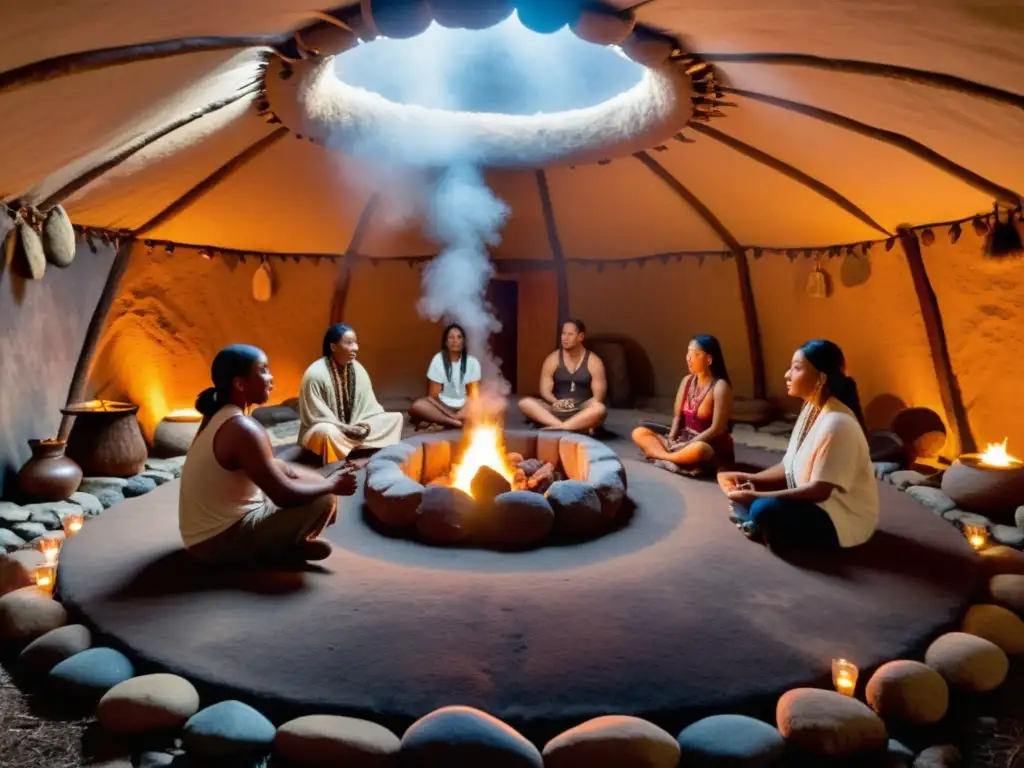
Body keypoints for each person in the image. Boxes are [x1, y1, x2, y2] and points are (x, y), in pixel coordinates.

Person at [178, 344, 357, 564]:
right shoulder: (242, 428)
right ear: (240, 384)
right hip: (216, 544)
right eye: (263, 370)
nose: (271, 378)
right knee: (324, 498)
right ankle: (280, 550)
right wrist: (333, 485)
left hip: (200, 538)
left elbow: (276, 471)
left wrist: (309, 476)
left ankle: (284, 543)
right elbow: (282, 495)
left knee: (288, 469)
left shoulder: (217, 415)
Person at [718, 339, 878, 550]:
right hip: (815, 502)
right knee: (754, 500)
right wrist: (750, 479)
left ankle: (763, 523)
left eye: (796, 368)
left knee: (763, 509)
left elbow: (820, 491)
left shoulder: (837, 422)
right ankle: (764, 524)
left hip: (841, 517)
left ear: (821, 378)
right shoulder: (810, 408)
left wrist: (757, 495)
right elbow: (790, 465)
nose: (787, 375)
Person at [298, 323, 404, 464]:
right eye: (349, 343)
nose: (356, 348)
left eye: (356, 343)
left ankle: (351, 449)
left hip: (355, 428)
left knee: (396, 418)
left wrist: (363, 427)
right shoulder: (315, 374)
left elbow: (370, 407)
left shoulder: (358, 369)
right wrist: (345, 428)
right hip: (331, 430)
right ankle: (355, 450)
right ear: (333, 347)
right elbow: (315, 416)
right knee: (325, 433)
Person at [631, 334, 735, 475]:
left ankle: (662, 457)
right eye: (688, 352)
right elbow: (677, 418)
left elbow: (716, 429)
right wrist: (672, 439)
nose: (688, 358)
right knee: (639, 433)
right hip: (682, 440)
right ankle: (672, 459)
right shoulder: (686, 381)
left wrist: (687, 445)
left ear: (709, 359)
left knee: (699, 450)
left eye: (695, 354)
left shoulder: (720, 386)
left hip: (708, 445)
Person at [518, 319, 607, 433]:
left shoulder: (594, 362)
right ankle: (566, 426)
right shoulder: (552, 359)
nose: (565, 338)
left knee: (600, 409)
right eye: (563, 333)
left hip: (581, 410)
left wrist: (578, 405)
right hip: (556, 409)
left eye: (570, 334)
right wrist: (556, 402)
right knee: (525, 403)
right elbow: (545, 390)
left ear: (581, 337)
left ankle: (560, 427)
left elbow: (598, 397)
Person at [408, 323, 482, 430]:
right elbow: (433, 397)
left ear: (463, 341)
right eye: (451, 337)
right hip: (442, 406)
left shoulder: (473, 362)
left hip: (465, 408)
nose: (455, 340)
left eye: (459, 337)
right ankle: (453, 422)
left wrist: (465, 411)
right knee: (418, 406)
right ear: (446, 342)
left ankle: (440, 422)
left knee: (491, 406)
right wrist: (451, 414)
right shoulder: (438, 360)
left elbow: (474, 396)